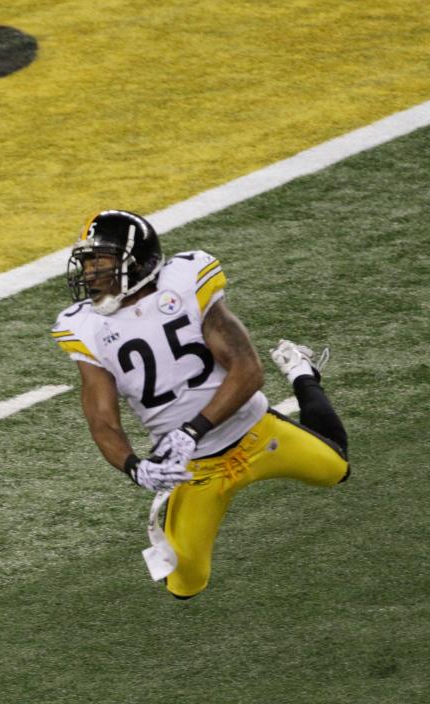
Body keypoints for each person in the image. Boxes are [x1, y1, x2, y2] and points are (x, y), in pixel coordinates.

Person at [51, 209, 350, 599]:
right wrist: (134, 467)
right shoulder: (84, 327)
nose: (90, 274)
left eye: (101, 262)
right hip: (194, 469)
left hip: (255, 431)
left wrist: (192, 431)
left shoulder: (186, 282)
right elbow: (102, 420)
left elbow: (247, 369)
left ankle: (301, 373)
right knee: (185, 585)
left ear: (138, 263)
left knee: (337, 469)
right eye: (87, 262)